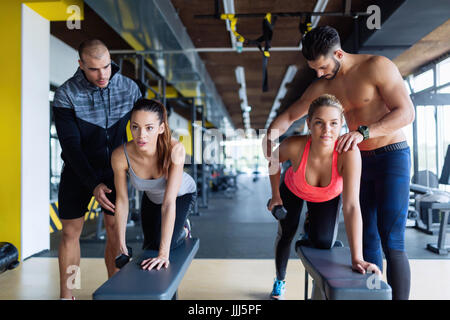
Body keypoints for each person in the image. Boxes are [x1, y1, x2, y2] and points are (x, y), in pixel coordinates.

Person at [263, 26, 415, 300]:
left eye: (322, 67)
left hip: (391, 155)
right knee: (368, 240)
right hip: (358, 160)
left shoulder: (377, 67)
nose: (318, 74)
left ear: (339, 53)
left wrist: (364, 132)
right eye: (314, 70)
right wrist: (269, 137)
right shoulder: (323, 86)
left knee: (392, 241)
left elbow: (407, 113)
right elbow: (291, 115)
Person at [52, 39, 142, 299]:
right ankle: (67, 294)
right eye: (93, 69)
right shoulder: (66, 94)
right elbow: (70, 146)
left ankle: (113, 292)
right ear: (80, 65)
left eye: (106, 67)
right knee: (70, 233)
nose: (102, 75)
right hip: (78, 170)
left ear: (110, 59)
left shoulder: (129, 88)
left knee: (115, 231)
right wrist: (92, 183)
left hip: (114, 171)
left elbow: (145, 126)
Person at [267, 94, 380, 300]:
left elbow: (352, 206)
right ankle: (280, 280)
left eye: (334, 123)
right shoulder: (294, 145)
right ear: (309, 123)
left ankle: (311, 224)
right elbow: (274, 159)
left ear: (341, 123)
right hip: (293, 189)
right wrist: (275, 195)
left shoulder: (349, 153)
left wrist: (358, 258)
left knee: (324, 242)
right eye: (319, 123)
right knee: (286, 233)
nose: (327, 130)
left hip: (326, 197)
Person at [111, 99, 196, 271]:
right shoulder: (120, 155)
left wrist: (163, 254)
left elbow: (169, 202)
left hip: (180, 196)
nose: (141, 135)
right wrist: (120, 242)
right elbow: (122, 201)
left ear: (161, 128)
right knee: (149, 247)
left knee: (163, 247)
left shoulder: (174, 149)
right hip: (151, 198)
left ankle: (184, 230)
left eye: (149, 128)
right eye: (135, 127)